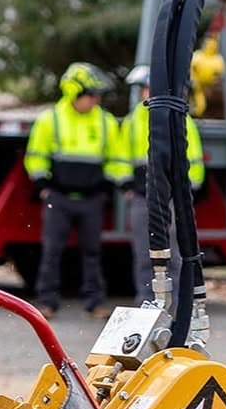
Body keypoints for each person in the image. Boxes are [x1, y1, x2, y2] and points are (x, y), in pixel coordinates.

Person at [24, 62, 122, 319]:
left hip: (91, 199)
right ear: (74, 93)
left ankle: (95, 303)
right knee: (52, 251)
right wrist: (44, 186)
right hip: (59, 197)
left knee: (93, 252)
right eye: (91, 94)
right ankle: (47, 303)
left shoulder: (105, 121)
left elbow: (117, 158)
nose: (95, 100)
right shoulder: (50, 120)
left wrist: (107, 187)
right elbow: (35, 157)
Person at [120, 63, 205, 305]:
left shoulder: (180, 118)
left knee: (176, 256)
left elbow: (194, 158)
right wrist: (126, 185)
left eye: (148, 88)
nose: (146, 93)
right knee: (143, 255)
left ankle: (177, 304)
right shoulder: (132, 121)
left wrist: (190, 190)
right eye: (143, 89)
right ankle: (146, 303)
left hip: (171, 199)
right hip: (141, 196)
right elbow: (120, 158)